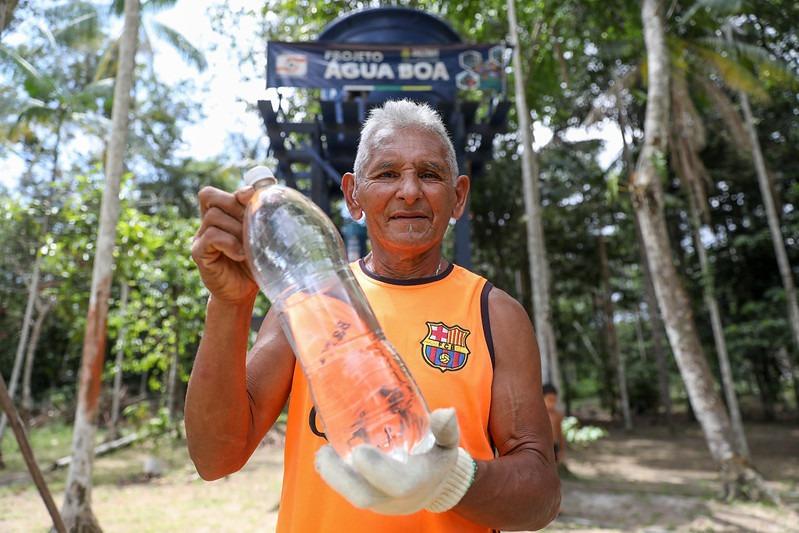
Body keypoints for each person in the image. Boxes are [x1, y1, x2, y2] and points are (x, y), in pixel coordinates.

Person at [186, 99, 561, 532]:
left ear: (458, 196)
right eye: (386, 173)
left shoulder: (493, 312)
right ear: (353, 195)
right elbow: (216, 458)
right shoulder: (309, 304)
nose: (409, 191)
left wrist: (451, 479)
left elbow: (541, 494)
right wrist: (228, 305)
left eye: (429, 174)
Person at [542, 384, 566, 467]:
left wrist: (562, 450)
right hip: (542, 446)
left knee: (553, 467)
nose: (552, 404)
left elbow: (560, 433)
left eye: (554, 401)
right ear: (542, 399)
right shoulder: (538, 415)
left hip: (554, 446)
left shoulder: (557, 415)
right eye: (549, 400)